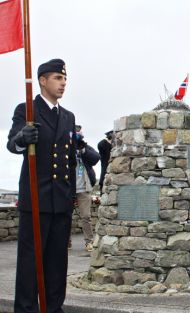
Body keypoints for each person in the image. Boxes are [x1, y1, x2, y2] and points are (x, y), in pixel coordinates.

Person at [7, 59, 77, 312]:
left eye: (65, 79)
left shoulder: (68, 117)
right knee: (29, 264)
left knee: (58, 264)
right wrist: (22, 138)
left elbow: (69, 160)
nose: (63, 83)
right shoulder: (26, 110)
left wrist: (71, 196)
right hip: (35, 199)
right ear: (43, 80)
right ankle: (26, 309)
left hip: (60, 202)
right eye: (58, 78)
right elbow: (12, 145)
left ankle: (53, 308)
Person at [74, 125, 100, 252]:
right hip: (66, 187)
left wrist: (82, 149)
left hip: (83, 187)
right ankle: (64, 241)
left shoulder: (84, 147)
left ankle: (89, 241)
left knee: (86, 216)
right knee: (63, 216)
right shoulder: (64, 148)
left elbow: (96, 158)